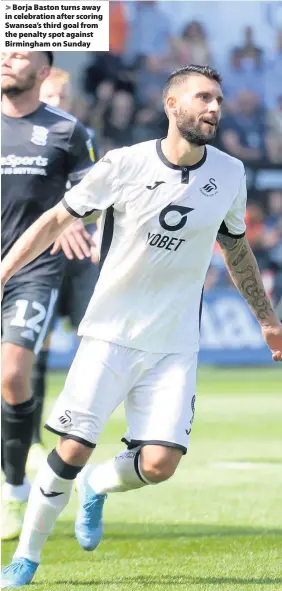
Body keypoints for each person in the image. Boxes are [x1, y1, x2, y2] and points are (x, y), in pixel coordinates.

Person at [1, 64, 282, 588]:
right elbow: (56, 221)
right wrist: (4, 272)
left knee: (158, 464)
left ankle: (97, 489)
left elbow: (236, 247)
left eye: (218, 100)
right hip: (109, 332)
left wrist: (266, 320)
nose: (214, 108)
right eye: (203, 98)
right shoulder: (123, 164)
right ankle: (27, 558)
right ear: (172, 105)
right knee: (72, 448)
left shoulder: (230, 175)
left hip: (174, 344)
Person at [1, 51, 95, 542]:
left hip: (31, 272)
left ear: (42, 71)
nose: (7, 59)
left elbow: (92, 196)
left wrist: (75, 221)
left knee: (13, 372)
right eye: (5, 50)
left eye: (20, 55)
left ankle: (13, 491)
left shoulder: (68, 132)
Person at [27, 67, 100, 470]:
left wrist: (80, 222)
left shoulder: (80, 138)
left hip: (76, 259)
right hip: (38, 258)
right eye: (50, 96)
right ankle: (32, 438)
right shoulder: (21, 138)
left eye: (62, 96)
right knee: (33, 349)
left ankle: (75, 427)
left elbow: (99, 196)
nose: (57, 103)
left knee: (94, 342)